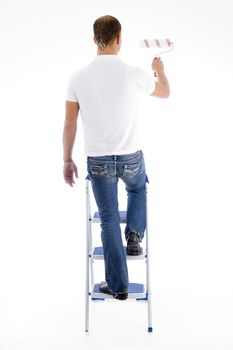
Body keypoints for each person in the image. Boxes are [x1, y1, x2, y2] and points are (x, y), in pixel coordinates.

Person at [63, 15, 170, 301]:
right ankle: (134, 236)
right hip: (130, 156)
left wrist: (66, 160)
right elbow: (165, 92)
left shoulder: (78, 76)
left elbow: (70, 124)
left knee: (109, 218)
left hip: (97, 160)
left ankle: (118, 286)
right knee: (137, 188)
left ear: (94, 39)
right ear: (119, 39)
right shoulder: (133, 72)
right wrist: (159, 71)